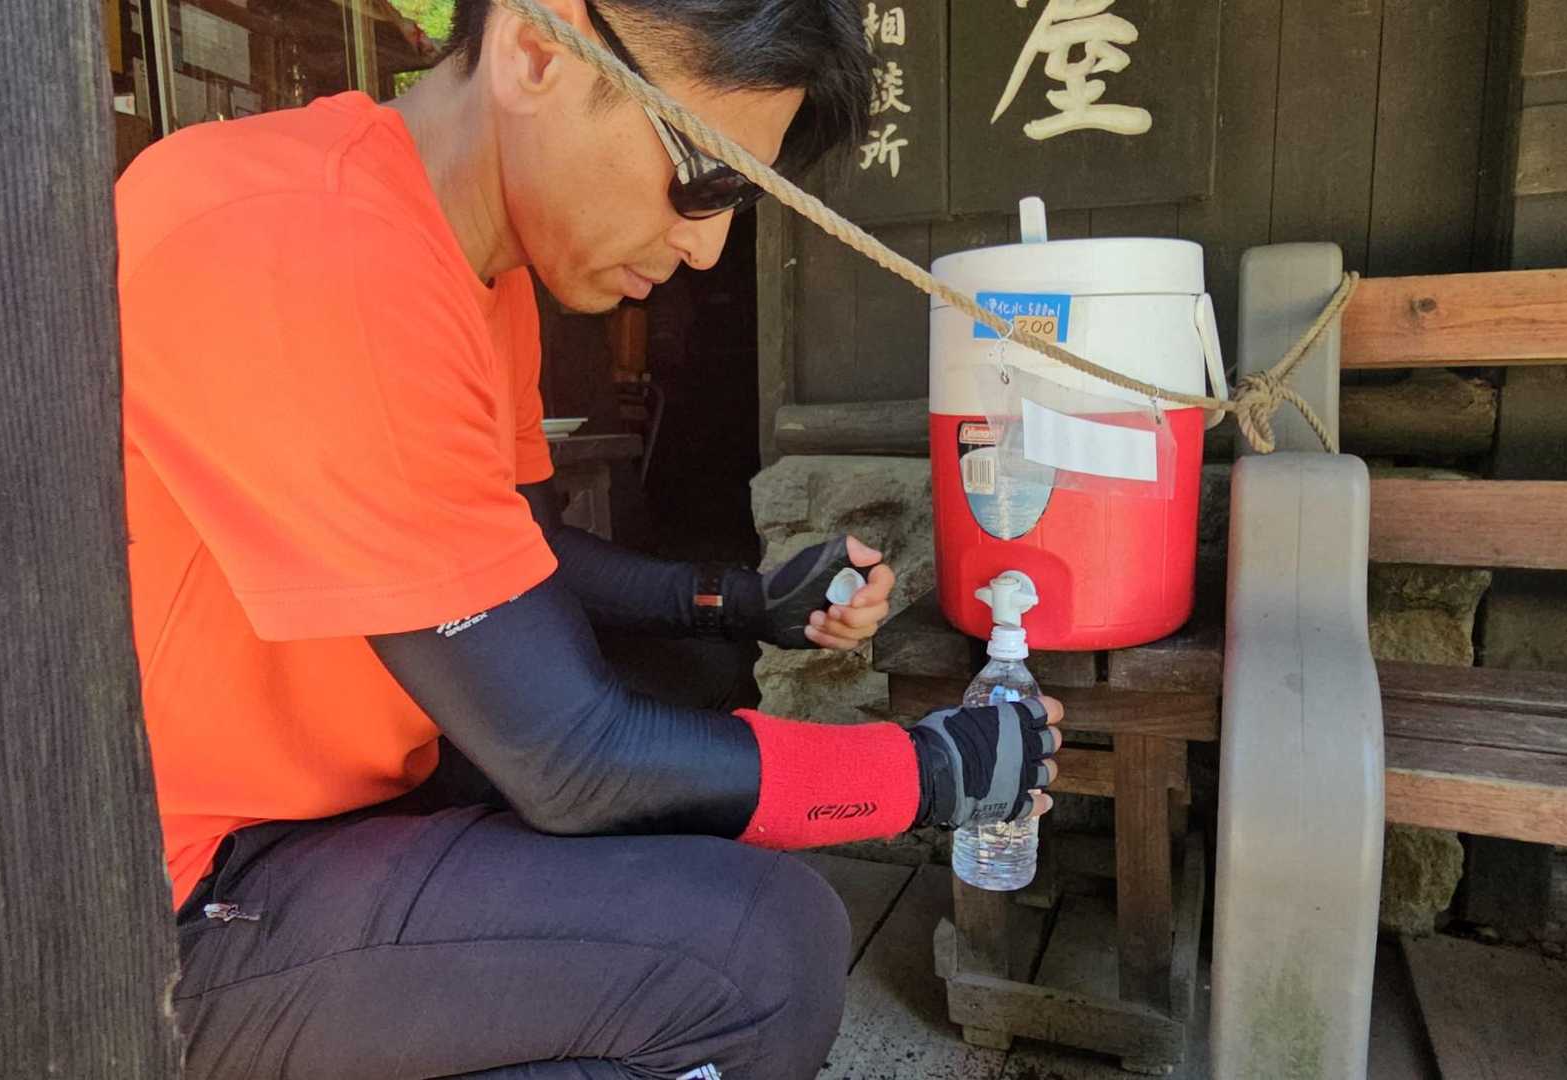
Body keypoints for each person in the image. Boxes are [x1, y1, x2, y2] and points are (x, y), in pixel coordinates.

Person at [114, 1, 1064, 1077]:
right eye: (702, 180)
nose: (707, 246)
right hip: (167, 897)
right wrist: (928, 769)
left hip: (339, 810)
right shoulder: (298, 236)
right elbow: (571, 761)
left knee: (701, 759)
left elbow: (523, 547)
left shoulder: (477, 269)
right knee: (755, 962)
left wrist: (739, 600)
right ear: (537, 51)